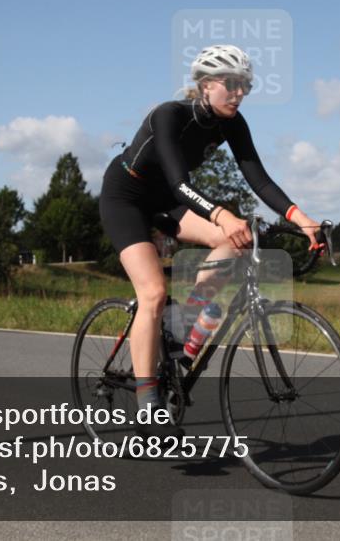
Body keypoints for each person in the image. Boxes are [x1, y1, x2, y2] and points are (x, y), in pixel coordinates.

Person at [98, 44, 322, 428]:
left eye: (245, 86)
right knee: (153, 293)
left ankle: (183, 322)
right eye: (231, 84)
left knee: (235, 241)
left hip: (168, 201)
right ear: (205, 85)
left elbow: (259, 178)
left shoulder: (233, 123)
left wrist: (302, 219)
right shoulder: (168, 115)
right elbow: (179, 182)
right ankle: (148, 402)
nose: (239, 93)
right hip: (126, 197)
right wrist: (222, 215)